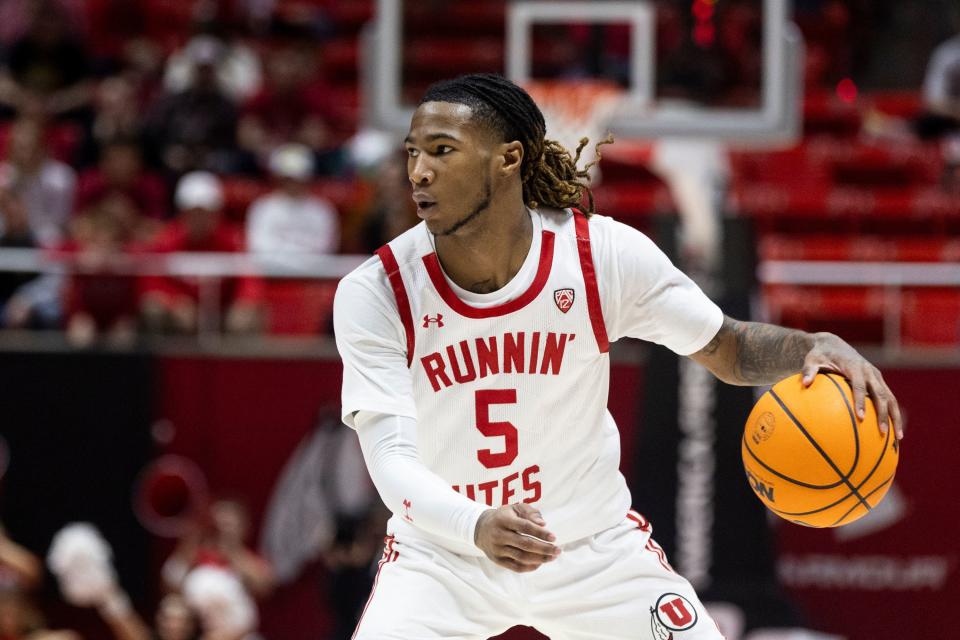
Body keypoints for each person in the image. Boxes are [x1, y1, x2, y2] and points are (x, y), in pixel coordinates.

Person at [332, 74, 903, 640]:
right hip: (444, 554)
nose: (417, 172)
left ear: (507, 159)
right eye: (413, 152)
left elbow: (727, 346)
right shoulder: (377, 291)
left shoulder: (599, 255)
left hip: (589, 547)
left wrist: (811, 346)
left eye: (441, 150)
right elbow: (391, 460)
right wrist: (475, 524)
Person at [245, 143, 340, 262]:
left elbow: (325, 247)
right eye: (288, 178)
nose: (293, 183)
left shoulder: (322, 209)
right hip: (271, 275)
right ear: (278, 178)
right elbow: (258, 247)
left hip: (313, 275)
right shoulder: (263, 207)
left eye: (298, 178)